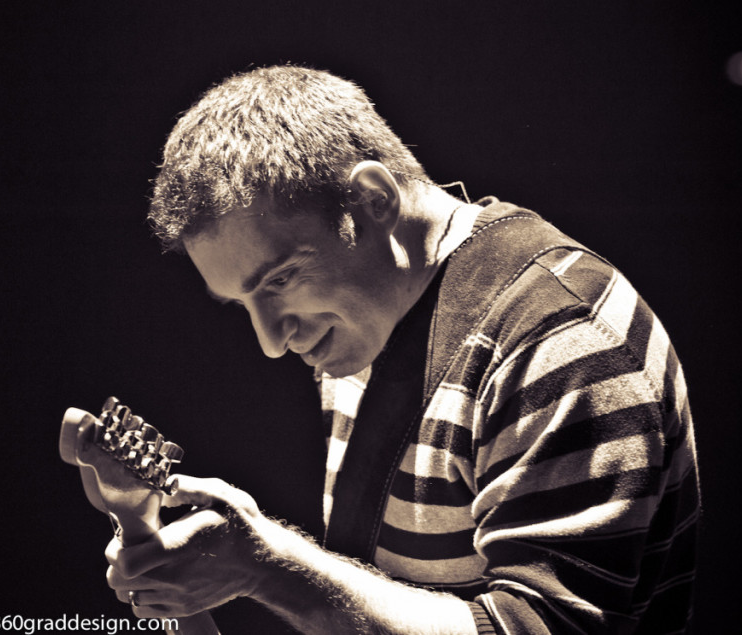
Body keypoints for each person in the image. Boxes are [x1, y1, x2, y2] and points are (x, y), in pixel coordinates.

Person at [104, 65, 700, 634]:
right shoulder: (368, 316)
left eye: (279, 280)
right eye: (242, 304)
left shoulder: (558, 338)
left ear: (373, 201)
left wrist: (270, 568)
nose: (271, 342)